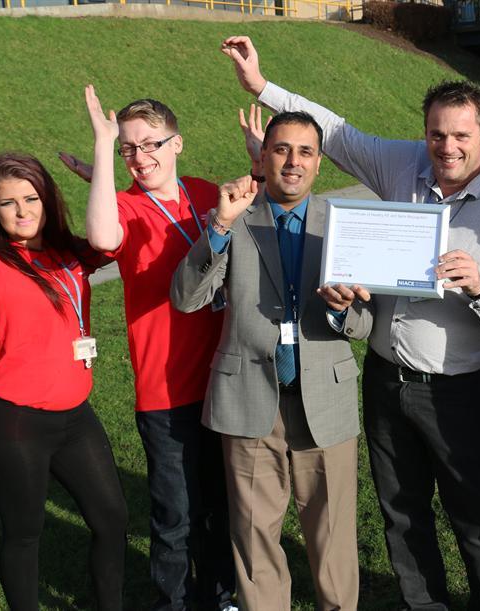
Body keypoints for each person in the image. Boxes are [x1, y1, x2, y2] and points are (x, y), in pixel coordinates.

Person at [223, 35, 480, 611]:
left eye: (461, 135)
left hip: (454, 390)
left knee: (474, 512)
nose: (447, 147)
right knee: (401, 511)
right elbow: (337, 132)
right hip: (384, 375)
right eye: (437, 134)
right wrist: (262, 88)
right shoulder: (404, 162)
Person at [170, 111, 361, 611]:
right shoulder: (236, 217)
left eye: (304, 152)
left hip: (327, 396)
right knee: (254, 538)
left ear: (319, 163)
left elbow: (366, 322)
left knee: (333, 535)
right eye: (281, 149)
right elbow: (187, 298)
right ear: (262, 157)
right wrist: (219, 225)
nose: (292, 162)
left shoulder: (344, 223)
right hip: (250, 398)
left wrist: (344, 312)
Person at [0, 154, 128, 611]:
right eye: (8, 203)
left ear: (47, 198)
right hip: (14, 423)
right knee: (24, 534)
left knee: (112, 520)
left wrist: (105, 176)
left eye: (31, 198)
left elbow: (112, 239)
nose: (22, 211)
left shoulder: (68, 251)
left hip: (75, 417)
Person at [73, 85, 236, 611]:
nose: (140, 158)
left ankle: (220, 596)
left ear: (178, 144)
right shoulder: (126, 208)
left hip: (225, 380)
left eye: (151, 144)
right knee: (175, 517)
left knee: (221, 505)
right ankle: (173, 603)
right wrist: (102, 150)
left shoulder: (206, 194)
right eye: (128, 148)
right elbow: (100, 237)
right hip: (166, 391)